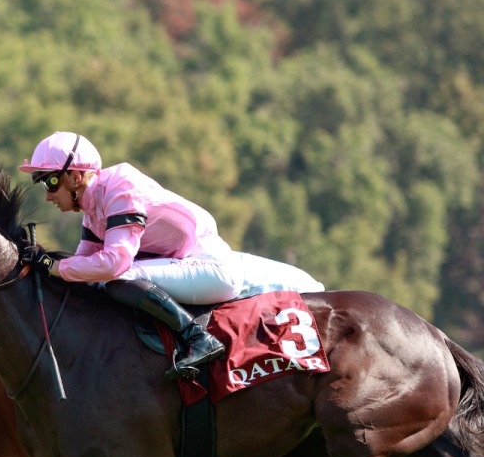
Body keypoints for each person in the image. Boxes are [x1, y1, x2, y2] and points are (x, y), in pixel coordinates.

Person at [18, 131, 323, 380]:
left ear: (74, 176)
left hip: (214, 269)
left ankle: (198, 339)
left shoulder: (119, 187)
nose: (47, 194)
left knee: (119, 277)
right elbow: (82, 270)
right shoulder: (92, 214)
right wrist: (42, 266)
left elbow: (114, 264)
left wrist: (55, 266)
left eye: (50, 181)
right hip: (184, 263)